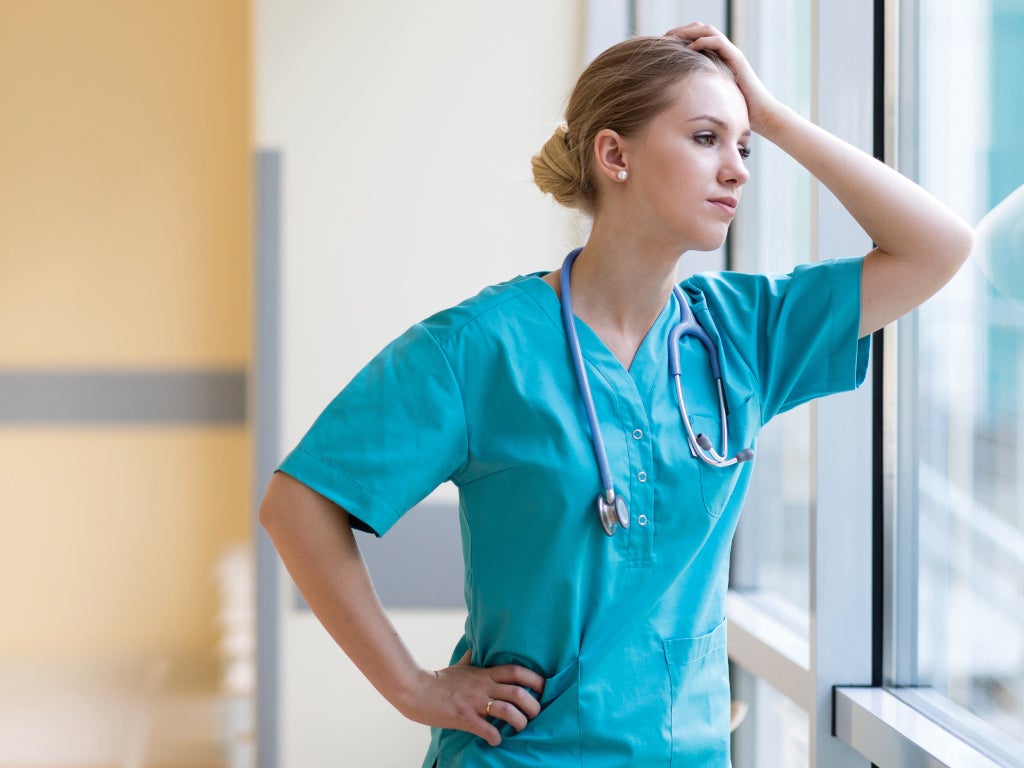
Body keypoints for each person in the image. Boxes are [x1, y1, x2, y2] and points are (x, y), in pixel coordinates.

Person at [259, 23, 973, 767]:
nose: (738, 170)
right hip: (520, 755)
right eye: (705, 138)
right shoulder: (479, 347)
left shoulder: (746, 334)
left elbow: (938, 247)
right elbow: (297, 504)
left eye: (744, 147)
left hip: (686, 754)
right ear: (614, 154)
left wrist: (776, 116)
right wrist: (413, 688)